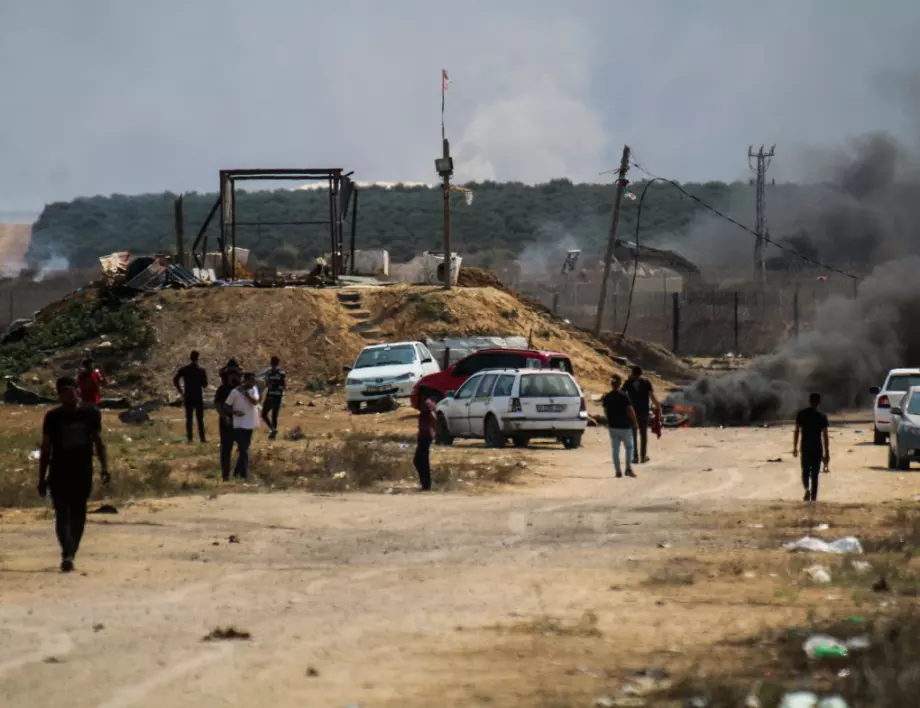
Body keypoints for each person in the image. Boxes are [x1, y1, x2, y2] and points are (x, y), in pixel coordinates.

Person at [38, 377, 110, 572]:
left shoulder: (90, 413)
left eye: (70, 391)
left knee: (79, 511)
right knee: (61, 512)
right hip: (59, 471)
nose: (67, 395)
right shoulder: (53, 417)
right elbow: (46, 449)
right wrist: (41, 478)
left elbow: (98, 442)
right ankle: (67, 553)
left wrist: (104, 467)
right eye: (63, 392)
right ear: (59, 394)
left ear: (77, 391)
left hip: (82, 470)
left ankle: (72, 551)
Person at [793, 392, 830, 502]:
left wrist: (794, 447)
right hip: (817, 448)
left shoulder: (801, 414)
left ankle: (806, 488)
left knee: (805, 471)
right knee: (815, 474)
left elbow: (797, 431)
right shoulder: (821, 416)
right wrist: (827, 452)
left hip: (805, 447)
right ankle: (813, 499)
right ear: (819, 402)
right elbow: (825, 435)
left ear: (809, 401)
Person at [224, 372, 261, 480]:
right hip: (239, 425)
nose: (254, 382)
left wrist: (246, 394)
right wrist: (234, 412)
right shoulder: (235, 392)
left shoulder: (253, 389)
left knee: (245, 449)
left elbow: (255, 402)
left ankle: (237, 473)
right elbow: (226, 406)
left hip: (249, 424)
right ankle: (244, 475)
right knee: (244, 450)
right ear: (246, 380)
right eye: (252, 380)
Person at [622, 366, 660, 465]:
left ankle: (635, 457)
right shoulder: (646, 382)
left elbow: (622, 395)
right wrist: (658, 406)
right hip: (644, 411)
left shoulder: (628, 383)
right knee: (643, 434)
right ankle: (643, 457)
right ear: (641, 373)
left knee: (633, 434)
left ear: (632, 373)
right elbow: (652, 396)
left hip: (632, 412)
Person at [602, 374, 639, 478]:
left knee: (615, 449)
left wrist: (609, 420)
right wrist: (635, 422)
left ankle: (618, 470)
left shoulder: (608, 396)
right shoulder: (624, 396)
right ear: (619, 383)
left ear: (611, 384)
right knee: (629, 447)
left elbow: (605, 411)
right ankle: (628, 468)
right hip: (625, 427)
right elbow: (630, 410)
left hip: (613, 427)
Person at [173, 350, 209, 444]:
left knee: (189, 418)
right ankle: (202, 439)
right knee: (200, 419)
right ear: (198, 358)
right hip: (198, 396)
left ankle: (190, 438)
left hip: (188, 395)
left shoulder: (184, 369)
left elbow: (175, 380)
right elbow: (205, 385)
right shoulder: (201, 370)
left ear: (190, 357)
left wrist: (181, 392)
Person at [215, 365, 241, 481]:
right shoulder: (223, 389)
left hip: (240, 423)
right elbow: (218, 405)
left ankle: (239, 473)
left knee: (243, 448)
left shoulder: (240, 389)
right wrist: (225, 416)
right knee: (226, 449)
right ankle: (225, 475)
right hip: (227, 422)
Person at [414, 397, 437, 491]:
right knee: (420, 461)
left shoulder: (429, 416)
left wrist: (428, 432)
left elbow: (431, 428)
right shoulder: (424, 415)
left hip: (425, 439)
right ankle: (425, 484)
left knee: (420, 461)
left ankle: (426, 484)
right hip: (423, 439)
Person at [261, 356, 286, 440]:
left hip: (270, 395)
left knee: (264, 414)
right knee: (274, 415)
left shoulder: (269, 373)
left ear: (270, 363)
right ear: (278, 363)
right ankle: (273, 432)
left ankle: (273, 429)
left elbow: (267, 384)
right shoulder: (282, 373)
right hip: (277, 396)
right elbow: (283, 386)